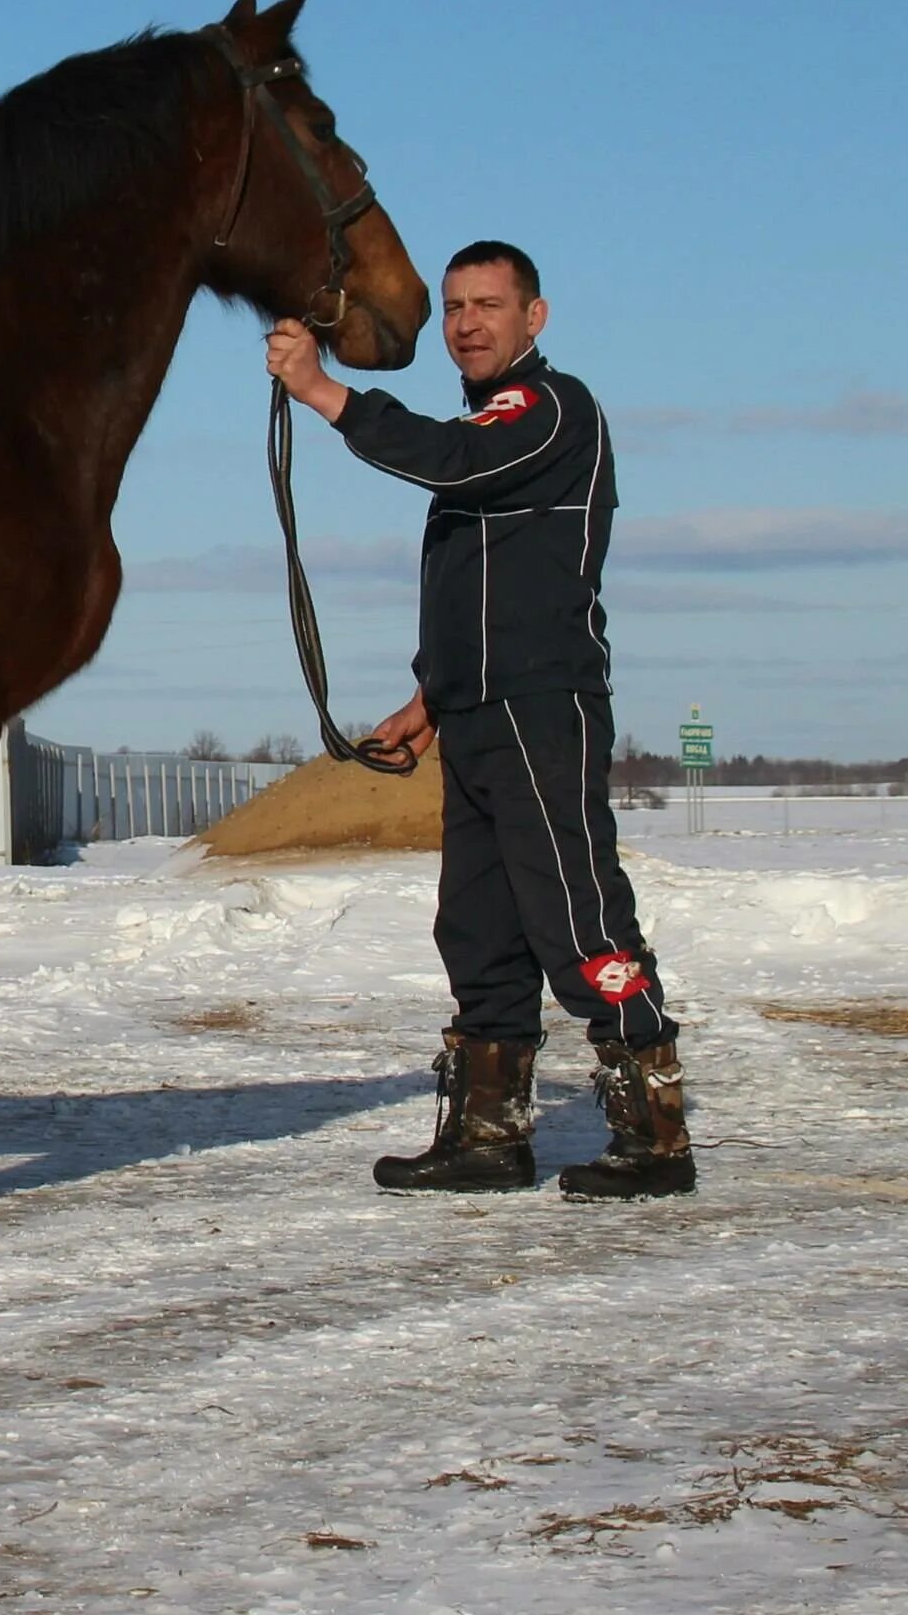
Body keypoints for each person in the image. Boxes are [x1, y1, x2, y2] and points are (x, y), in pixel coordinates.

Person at [264, 240, 694, 1199]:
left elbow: (451, 459)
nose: (465, 323)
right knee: (479, 929)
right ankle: (487, 1134)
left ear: (532, 317)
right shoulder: (488, 432)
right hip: (478, 713)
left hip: (544, 708)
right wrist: (429, 700)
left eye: (487, 305)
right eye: (455, 306)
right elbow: (476, 590)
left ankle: (654, 1135)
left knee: (578, 916)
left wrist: (324, 392)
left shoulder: (546, 409)